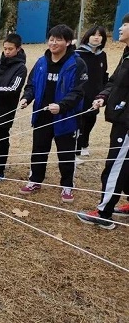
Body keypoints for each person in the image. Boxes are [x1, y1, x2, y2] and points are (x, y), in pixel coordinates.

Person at [19, 24, 87, 202]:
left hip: (65, 117)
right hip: (42, 115)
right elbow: (32, 84)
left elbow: (78, 91)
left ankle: (67, 185)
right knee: (39, 150)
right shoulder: (42, 62)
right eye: (51, 39)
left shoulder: (76, 64)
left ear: (68, 42)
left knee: (65, 153)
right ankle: (35, 180)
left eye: (58, 39)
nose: (53, 43)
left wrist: (62, 105)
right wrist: (27, 98)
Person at [77, 14, 129, 229]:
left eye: (125, 25)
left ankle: (103, 212)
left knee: (115, 165)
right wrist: (103, 96)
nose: (120, 28)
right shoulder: (126, 54)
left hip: (127, 122)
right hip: (120, 117)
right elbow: (113, 81)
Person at [0, 33, 27, 183]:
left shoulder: (21, 68)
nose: (7, 52)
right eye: (5, 48)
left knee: (2, 136)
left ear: (18, 49)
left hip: (6, 108)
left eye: (10, 49)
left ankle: (0, 170)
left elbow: (13, 88)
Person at [75, 26, 108, 160]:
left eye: (100, 35)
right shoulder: (79, 53)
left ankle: (84, 144)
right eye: (93, 34)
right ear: (87, 36)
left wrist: (103, 90)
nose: (96, 37)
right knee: (80, 121)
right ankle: (76, 149)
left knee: (91, 119)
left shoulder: (102, 55)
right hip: (82, 93)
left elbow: (104, 74)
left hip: (96, 94)